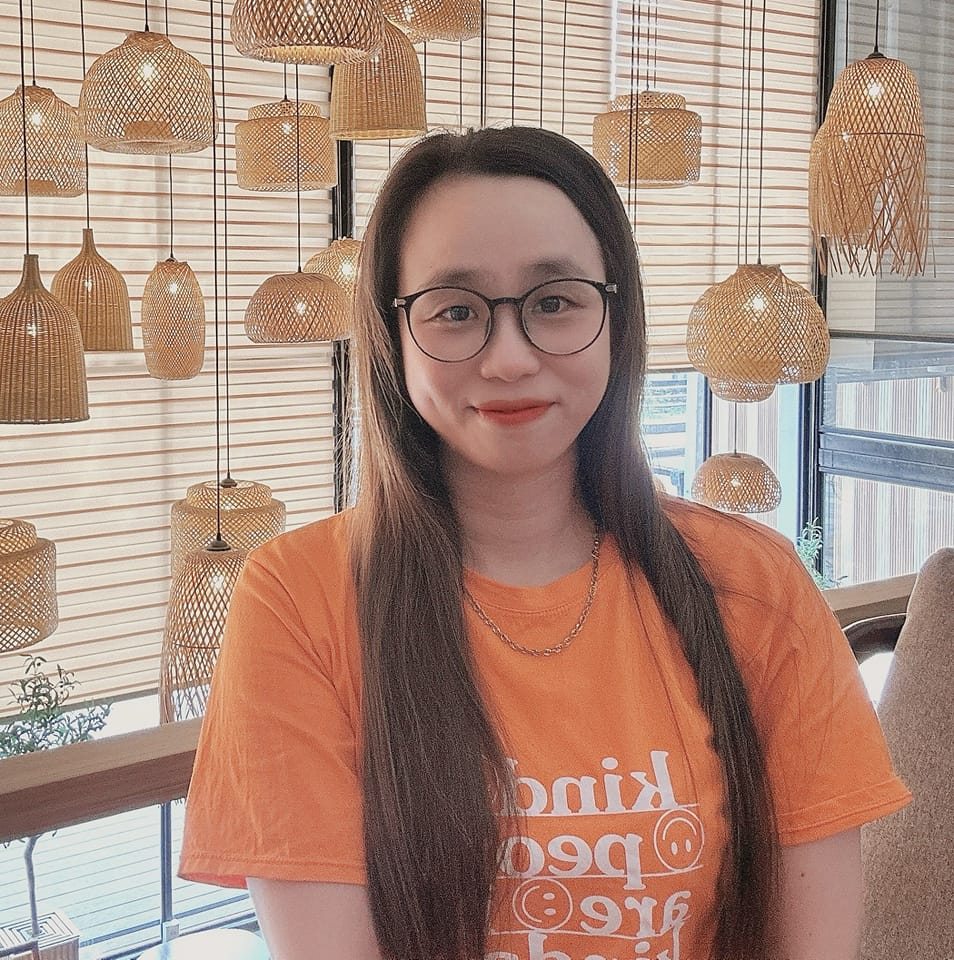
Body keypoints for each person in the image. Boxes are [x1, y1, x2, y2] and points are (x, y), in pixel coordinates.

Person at [178, 126, 911, 960]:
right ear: (393, 334)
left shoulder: (754, 581)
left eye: (554, 302)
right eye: (456, 311)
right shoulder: (296, 597)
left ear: (615, 317)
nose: (510, 359)